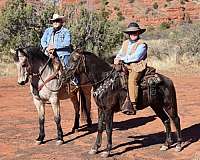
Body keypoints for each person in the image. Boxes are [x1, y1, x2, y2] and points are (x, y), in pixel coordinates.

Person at [114, 22, 148, 115]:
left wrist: (122, 59)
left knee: (132, 80)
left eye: (135, 32)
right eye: (131, 32)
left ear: (138, 33)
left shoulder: (142, 44)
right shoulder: (125, 43)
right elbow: (120, 53)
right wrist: (117, 59)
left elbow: (136, 57)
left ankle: (133, 104)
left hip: (137, 66)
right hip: (125, 65)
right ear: (128, 34)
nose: (133, 34)